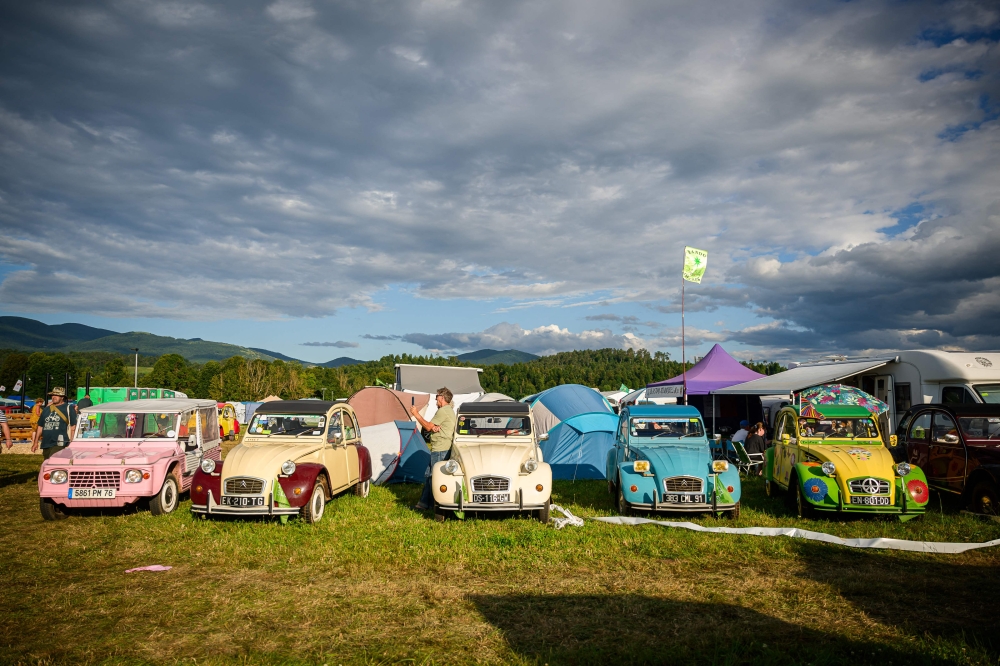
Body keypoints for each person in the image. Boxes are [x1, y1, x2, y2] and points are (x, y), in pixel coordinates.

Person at [410, 387, 456, 511]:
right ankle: (424, 504)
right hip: (441, 448)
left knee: (434, 477)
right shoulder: (448, 411)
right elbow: (433, 427)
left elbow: (428, 426)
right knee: (430, 476)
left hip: (441, 449)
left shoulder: (443, 411)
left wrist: (416, 414)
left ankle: (434, 505)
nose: (436, 400)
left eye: (436, 397)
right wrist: (434, 428)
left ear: (442, 398)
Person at [31, 387, 78, 459]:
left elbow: (73, 427)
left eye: (56, 395)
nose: (53, 397)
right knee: (48, 463)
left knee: (53, 461)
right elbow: (40, 426)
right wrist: (35, 442)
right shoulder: (46, 409)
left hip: (61, 443)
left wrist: (71, 442)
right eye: (52, 395)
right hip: (46, 443)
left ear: (62, 397)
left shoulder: (68, 408)